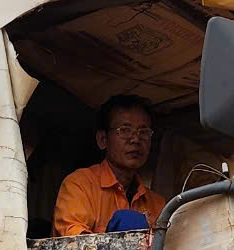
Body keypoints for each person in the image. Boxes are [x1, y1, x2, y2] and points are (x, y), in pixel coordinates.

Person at [52, 94, 168, 236]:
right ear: (103, 140)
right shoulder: (79, 185)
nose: (136, 139)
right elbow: (75, 244)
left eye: (143, 132)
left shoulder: (157, 204)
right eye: (125, 130)